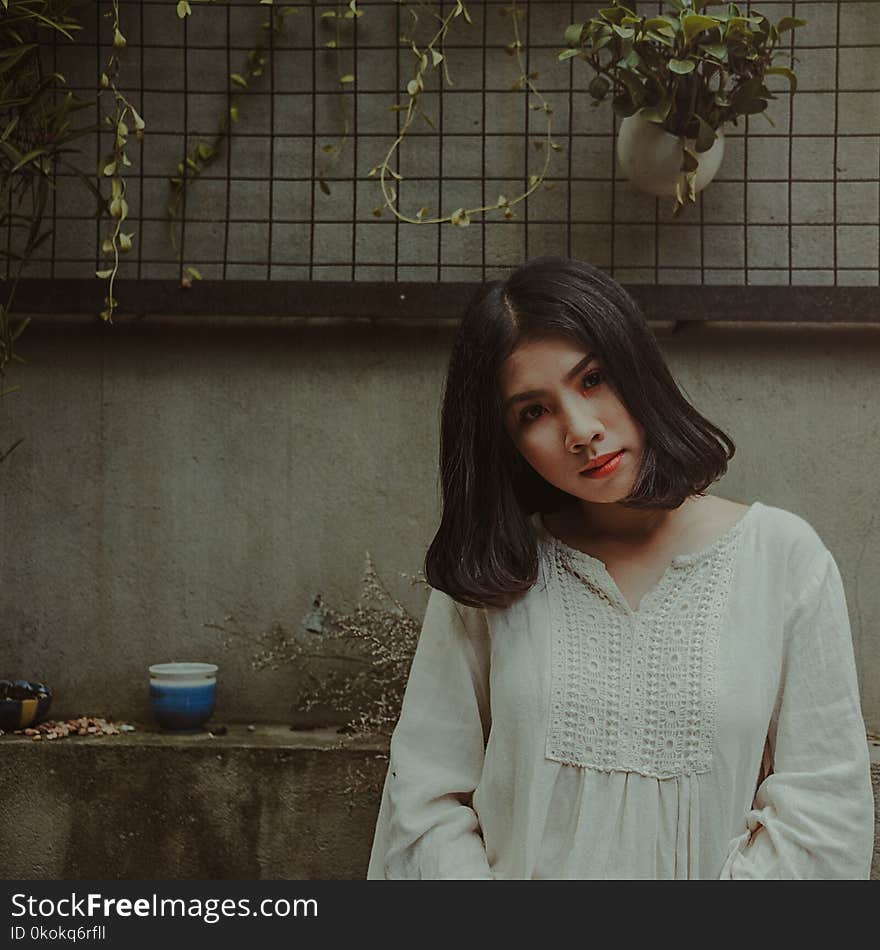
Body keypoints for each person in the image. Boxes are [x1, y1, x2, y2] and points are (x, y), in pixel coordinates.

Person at [367, 256, 874, 880]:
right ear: (507, 443)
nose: (581, 430)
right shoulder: (493, 576)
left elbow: (826, 812)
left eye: (593, 379)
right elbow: (424, 804)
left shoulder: (783, 560)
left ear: (636, 367)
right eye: (533, 411)